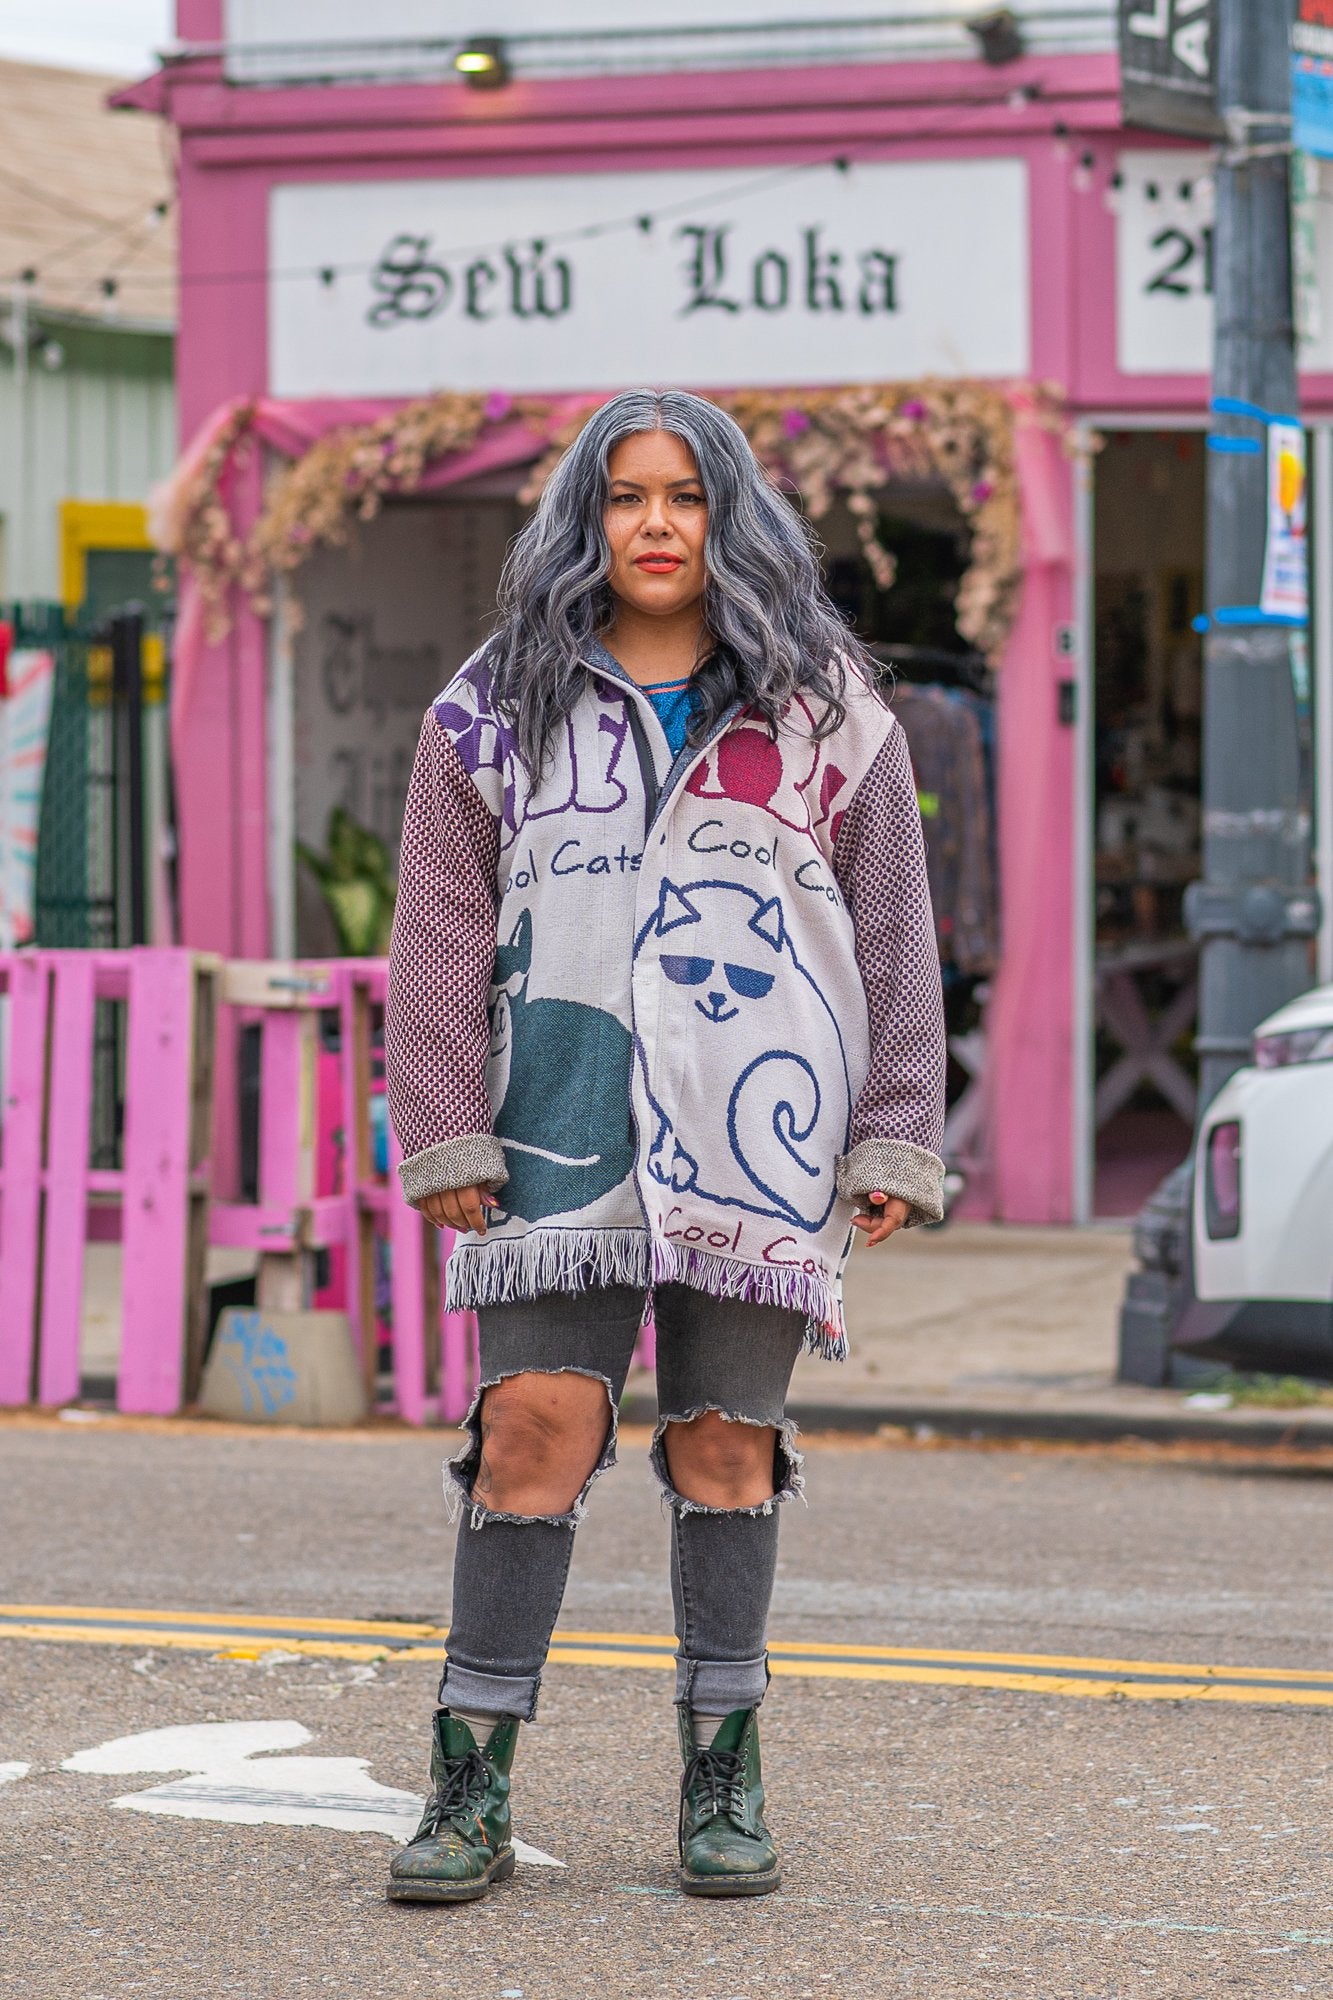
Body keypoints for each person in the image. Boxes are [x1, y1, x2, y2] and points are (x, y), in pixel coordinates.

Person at [383, 388, 946, 1905]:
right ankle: (469, 1783)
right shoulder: (492, 705)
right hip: (555, 1128)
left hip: (760, 1139)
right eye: (624, 495)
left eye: (683, 498)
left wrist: (897, 1128)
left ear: (728, 518)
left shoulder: (827, 709)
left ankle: (721, 1773)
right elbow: (437, 922)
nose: (652, 523)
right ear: (584, 516)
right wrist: (440, 1122)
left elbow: (890, 925)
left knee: (722, 1448)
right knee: (531, 1437)